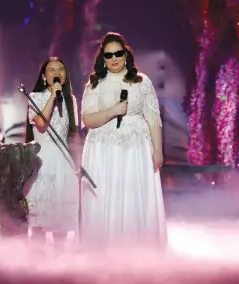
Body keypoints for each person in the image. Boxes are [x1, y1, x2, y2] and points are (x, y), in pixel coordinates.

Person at [79, 32, 167, 250]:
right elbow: (87, 119)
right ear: (103, 58)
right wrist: (112, 111)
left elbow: (153, 118)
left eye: (118, 53)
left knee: (133, 197)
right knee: (104, 197)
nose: (114, 59)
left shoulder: (141, 81)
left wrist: (158, 151)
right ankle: (103, 247)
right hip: (103, 150)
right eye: (109, 55)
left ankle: (136, 247)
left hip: (135, 149)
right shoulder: (94, 83)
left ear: (126, 54)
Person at [24, 57, 79, 251]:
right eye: (52, 69)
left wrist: (77, 163)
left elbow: (73, 135)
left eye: (61, 69)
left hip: (63, 163)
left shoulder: (71, 99)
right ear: (44, 76)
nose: (57, 73)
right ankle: (35, 264)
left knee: (60, 220)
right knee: (39, 220)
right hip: (41, 163)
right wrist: (51, 97)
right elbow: (40, 124)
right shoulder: (36, 97)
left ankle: (60, 266)